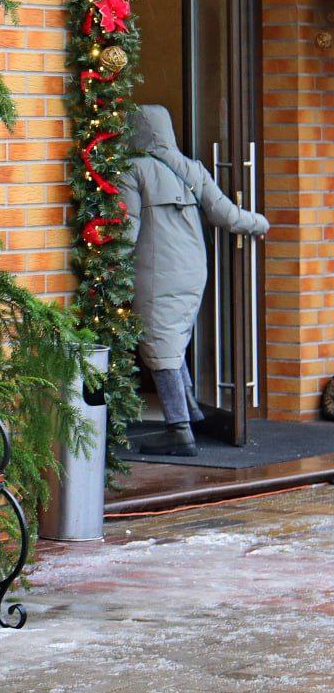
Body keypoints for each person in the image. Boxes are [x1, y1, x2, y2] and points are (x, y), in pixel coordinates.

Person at [117, 105, 268, 457]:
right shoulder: (193, 170)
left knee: (160, 345)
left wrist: (109, 269)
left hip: (157, 270)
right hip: (194, 269)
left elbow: (127, 232)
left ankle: (179, 430)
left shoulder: (133, 170)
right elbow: (227, 215)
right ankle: (191, 411)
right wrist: (259, 223)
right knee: (173, 338)